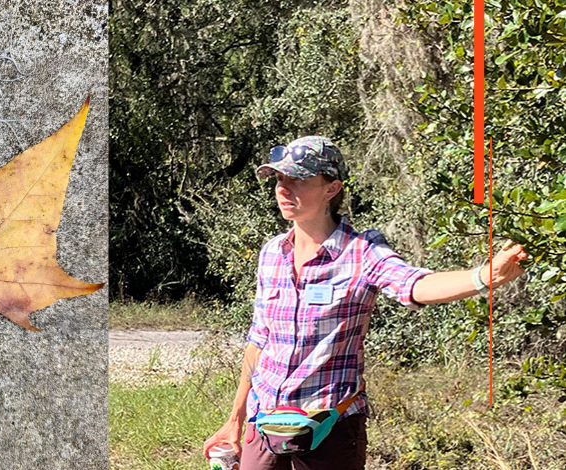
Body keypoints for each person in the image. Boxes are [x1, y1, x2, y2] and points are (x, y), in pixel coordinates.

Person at [200, 136, 529, 469]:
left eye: (298, 179)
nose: (283, 189)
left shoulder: (361, 251)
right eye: (280, 179)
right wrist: (235, 419)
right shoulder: (272, 253)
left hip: (329, 427)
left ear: (332, 188)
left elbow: (414, 285)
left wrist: (483, 277)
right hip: (265, 423)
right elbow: (259, 341)